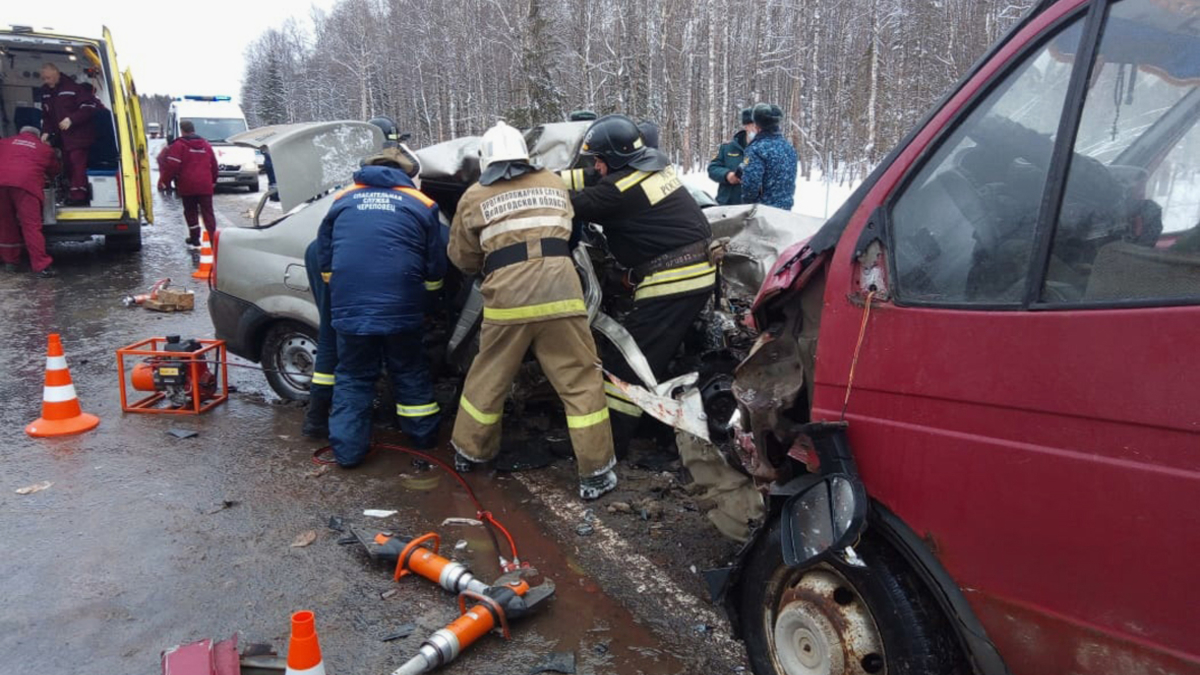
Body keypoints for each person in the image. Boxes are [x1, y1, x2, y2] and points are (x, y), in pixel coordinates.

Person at [448, 121, 617, 500]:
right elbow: (572, 234)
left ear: (487, 161)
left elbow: (462, 257)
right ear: (527, 157)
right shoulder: (554, 183)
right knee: (580, 381)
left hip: (508, 301)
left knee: (489, 377)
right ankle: (596, 472)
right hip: (562, 293)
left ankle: (470, 454)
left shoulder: (475, 196)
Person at [567, 114, 715, 456]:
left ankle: (610, 445)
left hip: (674, 280)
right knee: (654, 355)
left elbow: (572, 204)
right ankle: (653, 424)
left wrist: (535, 186)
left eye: (601, 160)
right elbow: (593, 177)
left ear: (616, 160)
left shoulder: (618, 193)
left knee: (626, 364)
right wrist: (554, 175)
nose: (597, 166)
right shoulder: (650, 168)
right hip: (694, 270)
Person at [317, 154, 445, 467]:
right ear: (403, 174)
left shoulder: (342, 200)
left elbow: (325, 258)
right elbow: (435, 265)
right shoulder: (421, 203)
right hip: (402, 305)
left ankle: (347, 453)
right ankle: (423, 438)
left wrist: (345, 296)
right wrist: (428, 303)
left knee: (353, 376)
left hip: (351, 307)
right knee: (409, 368)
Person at [301, 148, 427, 440]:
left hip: (333, 269)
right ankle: (418, 436)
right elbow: (436, 251)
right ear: (406, 174)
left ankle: (319, 422)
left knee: (334, 345)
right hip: (347, 275)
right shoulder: (414, 201)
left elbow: (326, 238)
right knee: (396, 364)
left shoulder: (348, 196)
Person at [0, 126, 60, 277]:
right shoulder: (44, 149)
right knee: (31, 227)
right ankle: (41, 266)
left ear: (20, 133)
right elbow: (55, 171)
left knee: (6, 224)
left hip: (1, 184)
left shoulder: (5, 142)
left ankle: (10, 262)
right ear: (38, 136)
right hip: (27, 186)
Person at [38, 63, 99, 206]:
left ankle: (78, 196)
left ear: (56, 74)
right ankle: (70, 192)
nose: (47, 81)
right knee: (67, 166)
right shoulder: (46, 93)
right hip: (62, 138)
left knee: (77, 165)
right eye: (44, 78)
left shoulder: (73, 89)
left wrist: (72, 119)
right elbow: (46, 115)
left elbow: (88, 108)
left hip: (78, 136)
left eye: (48, 78)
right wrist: (45, 131)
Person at [160, 120, 218, 246]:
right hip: (205, 185)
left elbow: (172, 165)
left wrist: (165, 181)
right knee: (208, 212)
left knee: (190, 211)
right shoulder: (205, 144)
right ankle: (213, 239)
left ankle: (195, 237)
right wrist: (213, 180)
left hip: (187, 185)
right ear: (193, 130)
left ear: (182, 130)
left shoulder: (179, 145)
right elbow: (214, 164)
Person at [740, 103, 798, 210]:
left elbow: (750, 186)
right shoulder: (789, 147)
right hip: (785, 210)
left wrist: (748, 205)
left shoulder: (756, 149)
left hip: (764, 213)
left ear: (757, 125)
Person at [707, 108, 755, 205]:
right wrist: (727, 175)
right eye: (754, 125)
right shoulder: (728, 147)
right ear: (746, 126)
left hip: (755, 207)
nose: (757, 129)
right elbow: (713, 168)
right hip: (727, 206)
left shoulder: (768, 150)